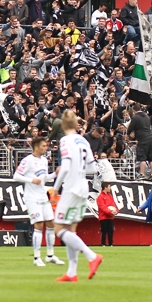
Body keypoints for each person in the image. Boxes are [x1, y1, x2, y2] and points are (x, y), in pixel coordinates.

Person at [52, 110, 104, 282]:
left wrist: (56, 187)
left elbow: (66, 166)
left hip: (71, 188)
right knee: (70, 230)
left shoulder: (65, 140)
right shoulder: (84, 140)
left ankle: (91, 256)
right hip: (83, 186)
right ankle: (72, 272)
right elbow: (93, 169)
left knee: (59, 229)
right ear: (75, 124)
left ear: (62, 125)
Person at [12, 136, 63, 266]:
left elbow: (44, 178)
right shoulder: (27, 160)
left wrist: (55, 174)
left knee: (51, 223)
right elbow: (16, 176)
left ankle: (50, 255)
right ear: (36, 147)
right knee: (39, 225)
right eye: (43, 146)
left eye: (46, 146)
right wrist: (31, 180)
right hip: (31, 198)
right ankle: (36, 258)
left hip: (42, 196)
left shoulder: (44, 161)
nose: (46, 148)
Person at [127, 105, 152, 179]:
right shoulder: (147, 116)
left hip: (142, 139)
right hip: (151, 137)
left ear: (134, 111)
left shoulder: (135, 117)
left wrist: (128, 134)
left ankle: (142, 174)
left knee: (142, 157)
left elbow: (131, 127)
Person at [97, 182, 117, 246]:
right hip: (103, 217)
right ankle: (103, 244)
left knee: (111, 231)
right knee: (104, 231)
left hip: (110, 217)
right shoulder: (100, 197)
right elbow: (102, 207)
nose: (110, 188)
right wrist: (110, 212)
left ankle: (111, 244)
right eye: (109, 187)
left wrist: (116, 211)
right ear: (105, 187)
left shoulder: (110, 196)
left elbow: (113, 205)